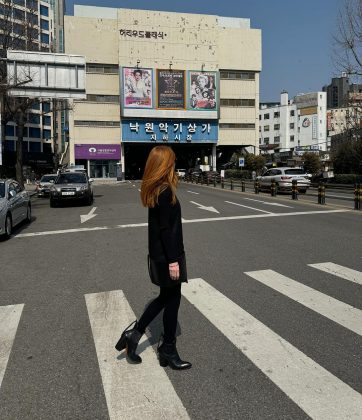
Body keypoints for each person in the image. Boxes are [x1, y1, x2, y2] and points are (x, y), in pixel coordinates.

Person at [115, 146, 191, 370]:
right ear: (165, 165)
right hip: (168, 257)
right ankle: (168, 348)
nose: (174, 165)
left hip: (159, 256)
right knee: (172, 300)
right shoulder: (165, 191)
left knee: (165, 298)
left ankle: (134, 334)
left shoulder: (155, 190)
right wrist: (174, 261)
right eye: (172, 161)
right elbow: (167, 230)